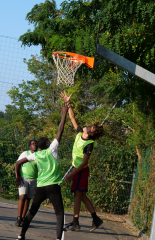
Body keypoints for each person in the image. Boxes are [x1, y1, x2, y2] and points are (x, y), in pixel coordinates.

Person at [15, 104, 68, 240]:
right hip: (52, 186)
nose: (50, 140)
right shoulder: (53, 149)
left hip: (41, 186)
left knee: (32, 212)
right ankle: (58, 238)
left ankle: (21, 235)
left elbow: (19, 162)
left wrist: (17, 176)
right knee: (59, 213)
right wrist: (64, 113)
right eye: (48, 140)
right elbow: (60, 129)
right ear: (47, 144)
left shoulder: (35, 155)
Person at [60, 91, 104, 232]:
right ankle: (95, 219)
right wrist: (68, 103)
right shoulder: (80, 133)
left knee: (77, 195)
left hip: (81, 170)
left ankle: (75, 222)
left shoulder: (89, 144)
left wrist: (72, 174)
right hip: (77, 170)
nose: (89, 126)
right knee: (82, 195)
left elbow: (84, 163)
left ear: (91, 133)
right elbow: (72, 117)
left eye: (92, 128)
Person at [15, 140, 38, 227]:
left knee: (28, 199)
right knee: (22, 196)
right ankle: (18, 217)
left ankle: (23, 218)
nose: (35, 145)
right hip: (24, 178)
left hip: (34, 179)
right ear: (29, 146)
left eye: (36, 144)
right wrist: (18, 176)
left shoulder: (38, 155)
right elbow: (17, 164)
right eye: (33, 144)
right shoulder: (25, 153)